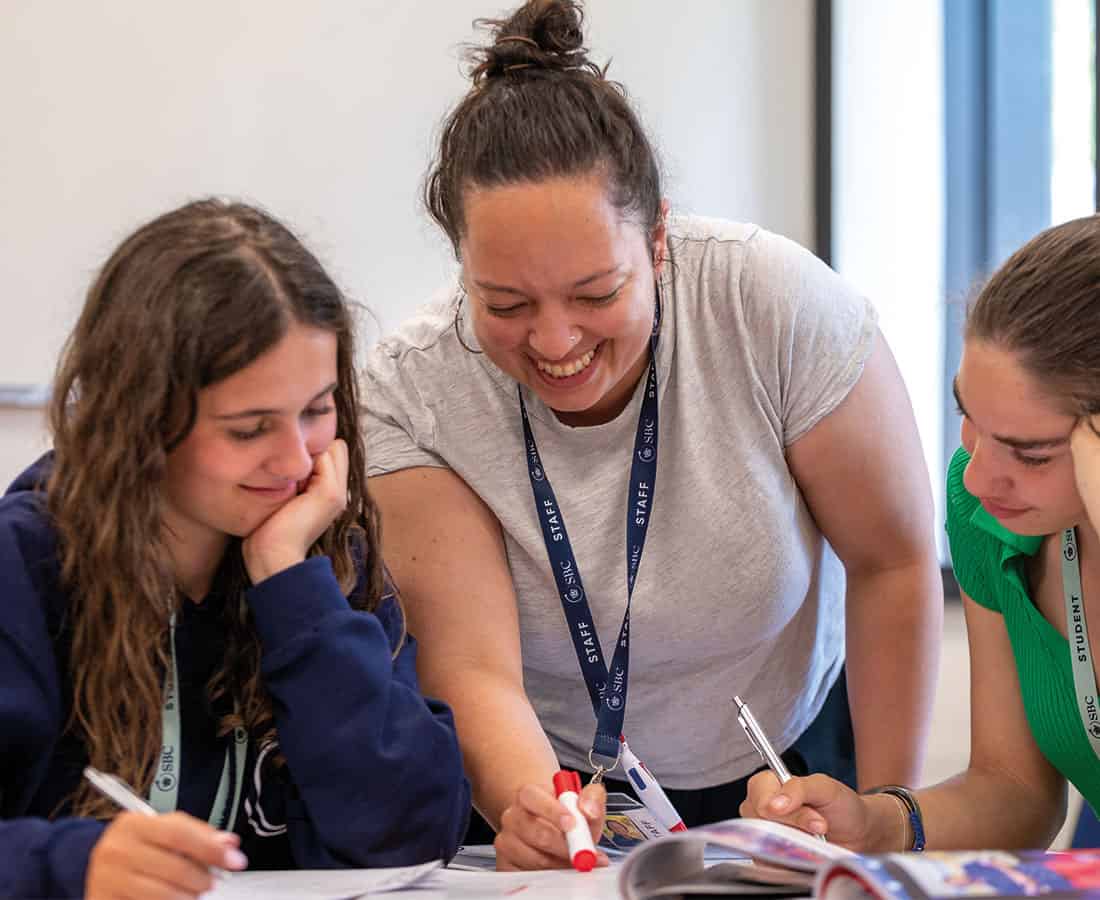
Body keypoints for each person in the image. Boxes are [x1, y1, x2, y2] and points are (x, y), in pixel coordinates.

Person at [363, 0, 943, 871]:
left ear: (660, 238)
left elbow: (892, 561)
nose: (556, 343)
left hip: (786, 762)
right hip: (548, 775)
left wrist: (882, 817)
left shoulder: (773, 307)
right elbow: (472, 668)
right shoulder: (411, 392)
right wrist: (551, 825)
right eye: (506, 304)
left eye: (596, 295)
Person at [0, 199, 470, 900]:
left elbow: (413, 832)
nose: (293, 460)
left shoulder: (321, 556)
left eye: (316, 410)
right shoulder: (30, 561)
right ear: (143, 420)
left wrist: (290, 581)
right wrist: (68, 866)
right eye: (249, 430)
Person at [741, 214, 1100, 852]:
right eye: (970, 417)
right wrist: (876, 822)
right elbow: (1016, 790)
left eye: (1032, 453)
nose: (980, 475)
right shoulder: (987, 512)